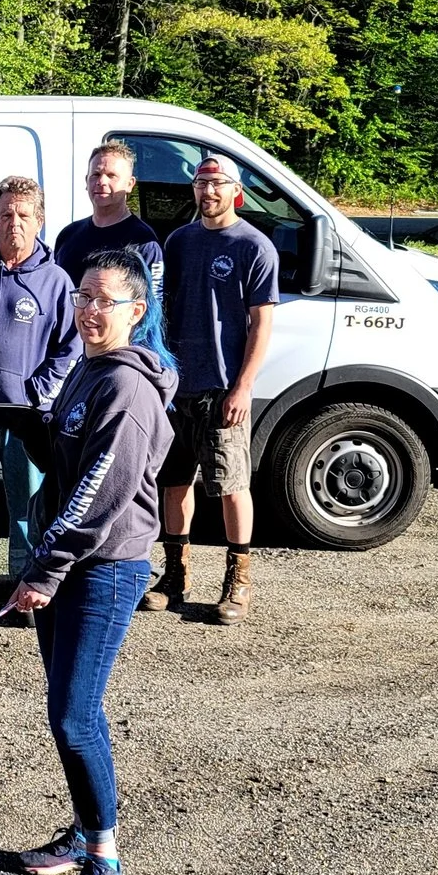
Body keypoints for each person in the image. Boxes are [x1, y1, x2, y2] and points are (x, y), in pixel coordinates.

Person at [0, 246, 179, 875]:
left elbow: (102, 493)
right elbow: (69, 463)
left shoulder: (127, 387)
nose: (90, 310)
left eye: (106, 300)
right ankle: (82, 830)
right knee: (63, 710)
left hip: (103, 569)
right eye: (82, 297)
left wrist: (45, 569)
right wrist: (32, 421)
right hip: (71, 562)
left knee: (77, 715)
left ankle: (106, 856)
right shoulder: (88, 369)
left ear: (137, 310)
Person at [144, 154, 278, 622]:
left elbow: (262, 325)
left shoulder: (254, 247)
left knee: (230, 484)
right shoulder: (178, 242)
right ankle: (175, 575)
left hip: (223, 390)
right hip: (176, 387)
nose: (209, 192)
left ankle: (238, 582)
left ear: (235, 190)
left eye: (218, 184)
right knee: (174, 482)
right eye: (201, 184)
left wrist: (243, 387)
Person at [0, 176, 78, 598]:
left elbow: (71, 344)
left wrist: (36, 392)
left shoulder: (57, 281)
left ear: (39, 221)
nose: (14, 223)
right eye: (6, 214)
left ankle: (22, 584)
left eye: (24, 215)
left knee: (28, 505)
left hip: (28, 420)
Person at [54, 139, 163, 287]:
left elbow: (153, 304)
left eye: (111, 176)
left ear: (130, 184)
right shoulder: (68, 235)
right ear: (86, 181)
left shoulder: (144, 243)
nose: (101, 181)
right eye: (96, 174)